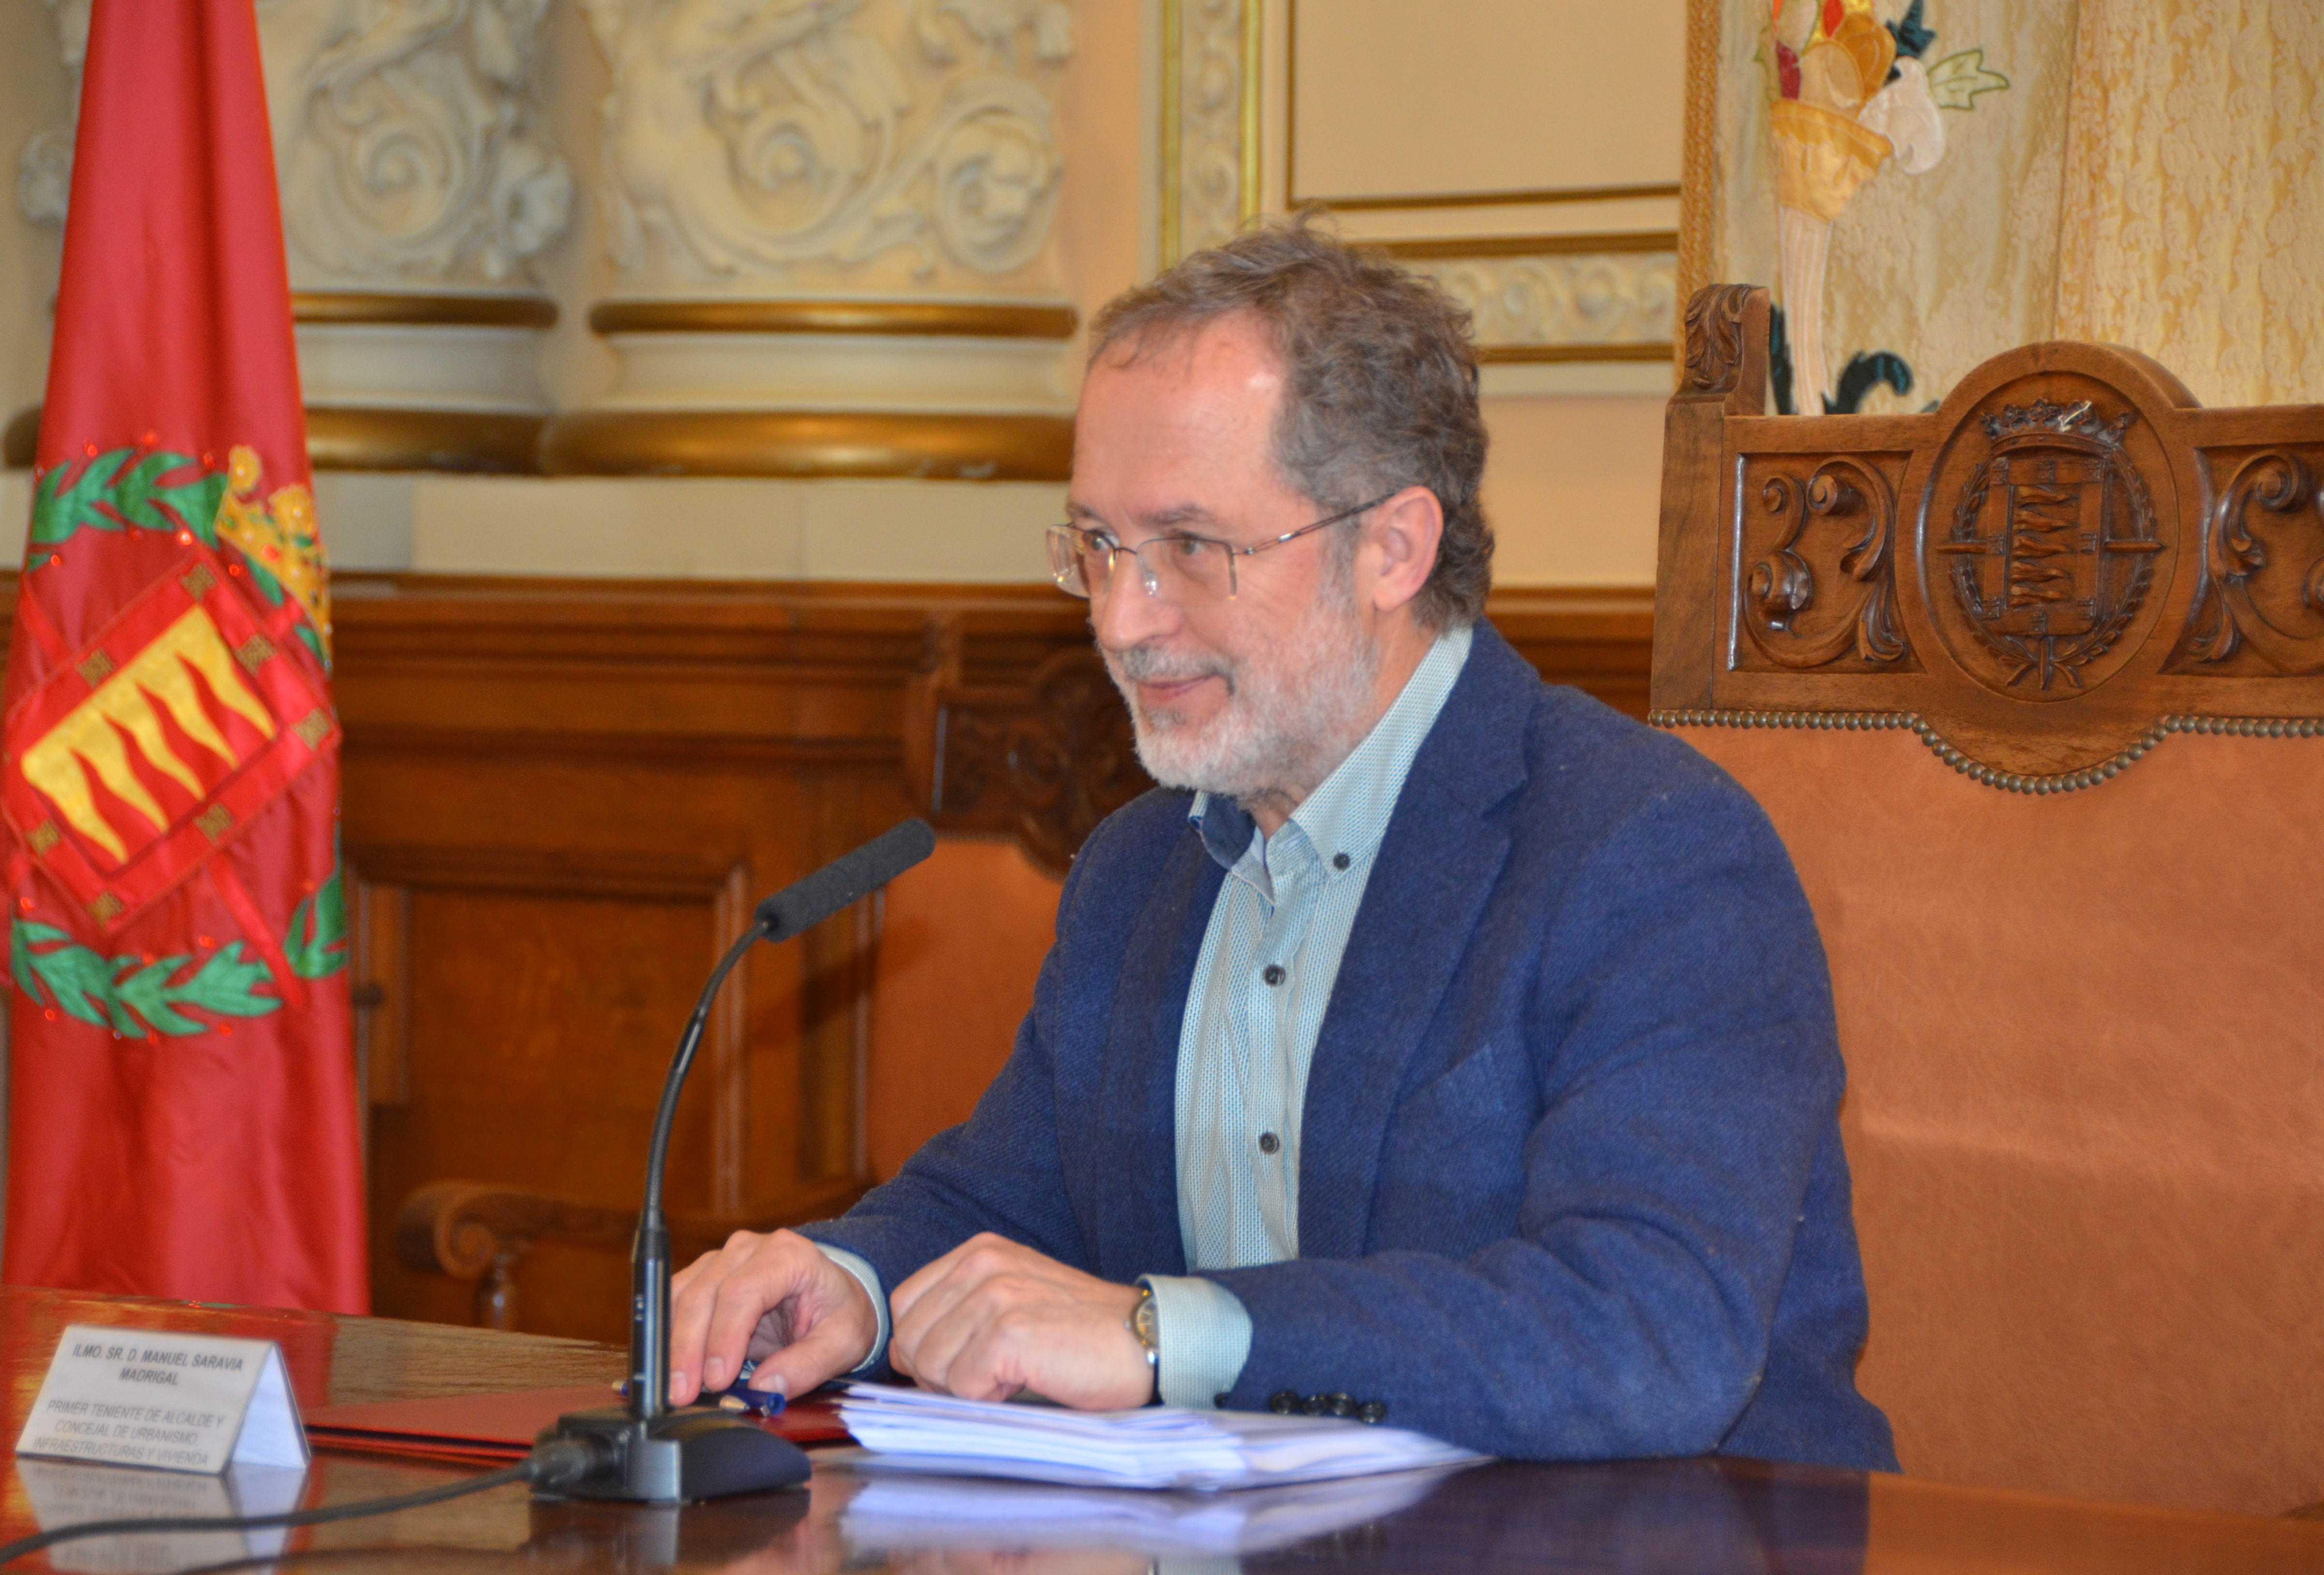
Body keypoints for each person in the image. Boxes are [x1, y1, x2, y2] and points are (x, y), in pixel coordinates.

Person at [666, 219, 1898, 1470]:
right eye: (1099, 545)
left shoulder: (1648, 851)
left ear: (1393, 548)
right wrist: (853, 1284)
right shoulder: (1140, 867)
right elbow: (1013, 1201)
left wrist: (1171, 1337)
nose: (1123, 620)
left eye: (1191, 549)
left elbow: (1649, 1332)